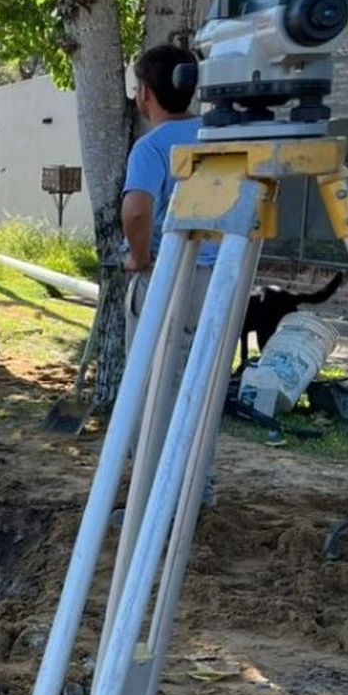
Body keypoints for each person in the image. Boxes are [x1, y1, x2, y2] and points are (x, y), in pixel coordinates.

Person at [121, 43, 220, 506]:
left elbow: (138, 211)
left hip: (168, 280)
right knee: (201, 385)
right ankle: (198, 491)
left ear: (145, 93)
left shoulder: (152, 147)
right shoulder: (220, 136)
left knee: (153, 390)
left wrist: (140, 259)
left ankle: (155, 502)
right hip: (220, 283)